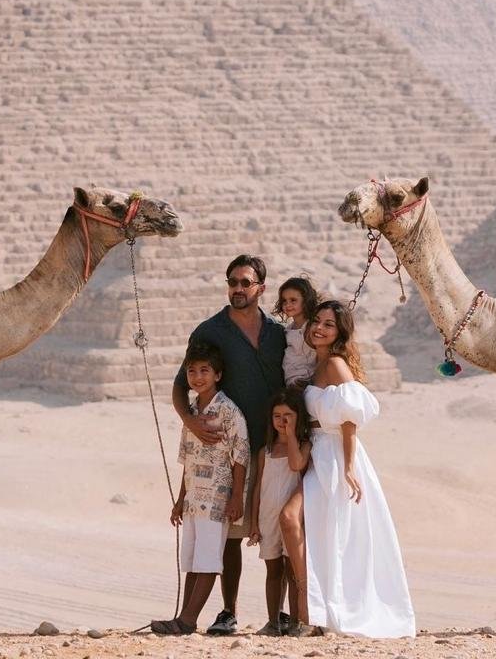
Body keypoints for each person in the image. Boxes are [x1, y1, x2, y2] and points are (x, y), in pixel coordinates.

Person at [280, 299, 415, 639]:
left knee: (327, 533)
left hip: (337, 458)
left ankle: (316, 613)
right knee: (307, 527)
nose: (319, 328)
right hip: (319, 455)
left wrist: (350, 466)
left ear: (339, 333)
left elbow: (350, 418)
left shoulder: (336, 365)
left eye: (329, 324)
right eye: (318, 322)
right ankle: (312, 608)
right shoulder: (317, 365)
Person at [172, 254, 287, 635]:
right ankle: (228, 611)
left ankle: (283, 614)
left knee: (279, 531)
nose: (238, 289)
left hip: (273, 447)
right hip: (227, 451)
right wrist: (189, 420)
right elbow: (180, 384)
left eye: (245, 282)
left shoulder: (277, 333)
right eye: (232, 282)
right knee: (228, 537)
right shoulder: (210, 332)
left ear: (261, 288)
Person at [151, 340, 251, 636]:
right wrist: (180, 500)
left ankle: (187, 622)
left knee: (207, 560)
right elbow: (188, 460)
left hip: (217, 497)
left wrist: (236, 498)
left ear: (217, 374)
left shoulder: (229, 412)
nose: (197, 377)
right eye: (192, 371)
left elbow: (241, 456)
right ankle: (183, 617)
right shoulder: (192, 413)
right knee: (194, 561)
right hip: (194, 497)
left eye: (204, 370)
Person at [247, 388, 312, 636]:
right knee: (273, 571)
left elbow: (296, 465)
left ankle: (296, 620)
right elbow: (257, 488)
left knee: (292, 569)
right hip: (267, 518)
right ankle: (273, 622)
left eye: (288, 415)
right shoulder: (266, 451)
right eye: (277, 415)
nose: (282, 420)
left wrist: (292, 436)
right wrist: (254, 522)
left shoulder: (304, 446)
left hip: (292, 521)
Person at [275, 276, 319, 388]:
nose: (287, 305)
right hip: (290, 383)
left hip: (306, 384)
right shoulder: (289, 328)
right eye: (284, 301)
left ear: (306, 300)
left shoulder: (311, 328)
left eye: (293, 300)